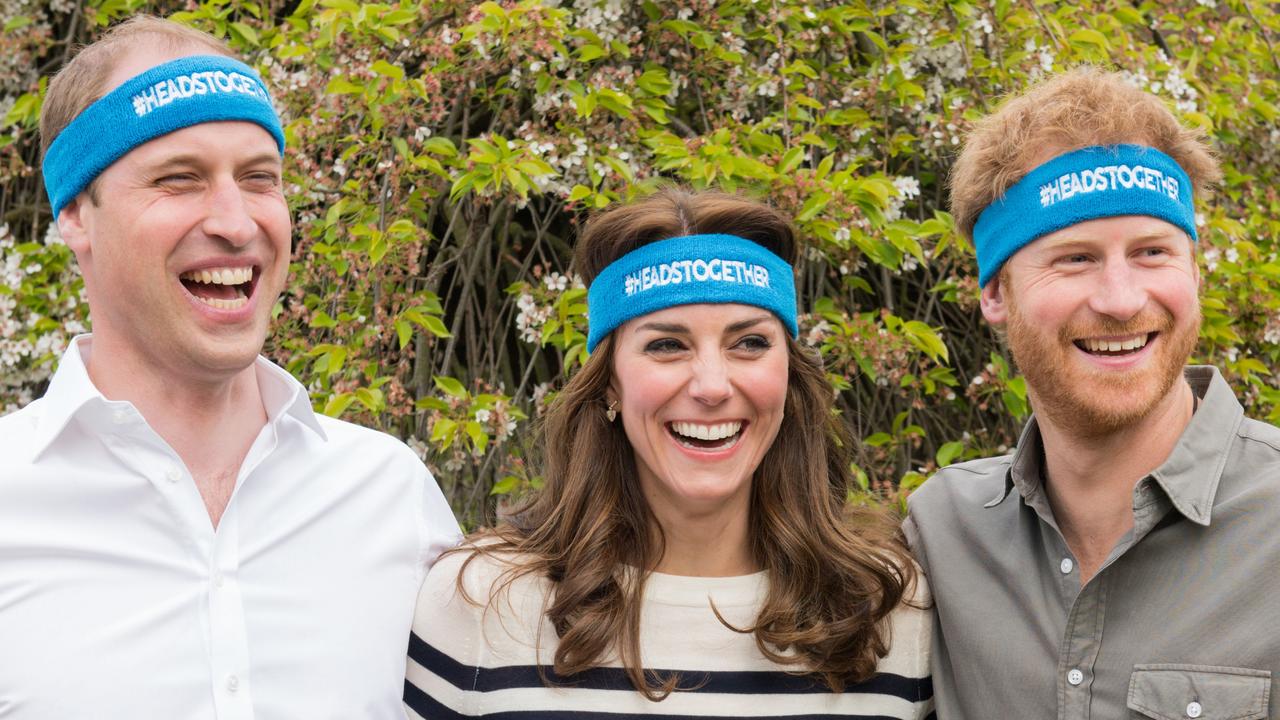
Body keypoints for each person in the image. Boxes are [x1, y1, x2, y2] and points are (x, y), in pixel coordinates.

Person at [0, 15, 460, 717]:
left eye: (259, 179)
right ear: (75, 217)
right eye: (178, 180)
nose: (236, 222)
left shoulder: (392, 496)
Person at [404, 188, 933, 719]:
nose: (711, 385)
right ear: (609, 382)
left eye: (748, 343)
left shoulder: (887, 608)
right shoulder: (481, 604)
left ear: (789, 372)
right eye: (666, 345)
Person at [904, 67, 1280, 718]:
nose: (1121, 299)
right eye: (1075, 257)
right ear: (995, 293)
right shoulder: (941, 534)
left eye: (1153, 252)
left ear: (1195, 266)